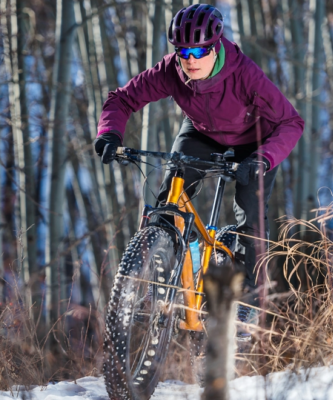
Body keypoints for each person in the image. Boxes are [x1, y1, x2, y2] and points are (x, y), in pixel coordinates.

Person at [93, 4, 304, 342]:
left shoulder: (244, 75)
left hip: (254, 143)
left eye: (198, 51)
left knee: (251, 214)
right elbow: (121, 100)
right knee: (168, 202)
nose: (190, 59)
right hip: (201, 134)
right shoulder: (171, 71)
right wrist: (110, 133)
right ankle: (162, 271)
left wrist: (264, 159)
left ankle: (247, 298)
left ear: (215, 46)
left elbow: (291, 122)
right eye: (182, 52)